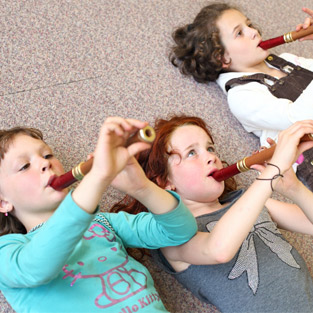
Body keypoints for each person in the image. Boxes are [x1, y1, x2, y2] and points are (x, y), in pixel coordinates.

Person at [112, 115, 313, 313]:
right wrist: (274, 169)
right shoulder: (169, 235)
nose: (212, 157)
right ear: (164, 182)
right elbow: (218, 250)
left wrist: (293, 188)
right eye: (192, 153)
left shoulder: (247, 200)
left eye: (210, 148)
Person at [0, 117, 197, 313]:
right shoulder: (8, 251)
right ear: (3, 202)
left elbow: (181, 231)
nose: (45, 163)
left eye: (48, 155)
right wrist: (97, 177)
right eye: (24, 166)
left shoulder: (104, 222)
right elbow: (36, 267)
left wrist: (142, 187)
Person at [169, 3, 313, 190]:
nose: (254, 32)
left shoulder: (287, 59)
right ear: (221, 58)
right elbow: (297, 118)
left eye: (250, 25)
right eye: (239, 33)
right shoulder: (241, 95)